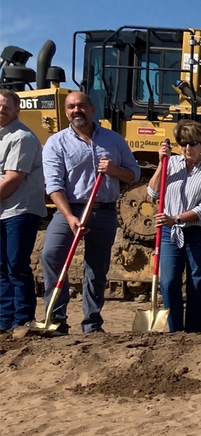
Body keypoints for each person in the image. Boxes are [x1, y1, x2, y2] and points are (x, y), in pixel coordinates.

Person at [40, 91, 139, 334]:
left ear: (92, 109)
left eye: (81, 105)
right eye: (71, 107)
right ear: (66, 112)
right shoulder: (56, 142)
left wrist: (115, 169)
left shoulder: (114, 140)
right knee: (51, 255)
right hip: (69, 210)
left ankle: (92, 323)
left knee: (96, 268)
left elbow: (134, 173)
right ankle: (56, 319)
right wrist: (70, 216)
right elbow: (53, 185)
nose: (77, 110)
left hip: (103, 211)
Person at [147, 120, 201, 333]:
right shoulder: (171, 165)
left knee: (196, 283)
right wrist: (161, 164)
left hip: (198, 232)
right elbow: (152, 193)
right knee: (168, 282)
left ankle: (194, 333)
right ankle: (174, 331)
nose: (188, 148)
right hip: (170, 233)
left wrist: (175, 218)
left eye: (193, 143)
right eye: (183, 143)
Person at [0, 90, 47, 332]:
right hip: (3, 210)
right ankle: (5, 321)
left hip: (19, 211)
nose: (1, 110)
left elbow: (12, 180)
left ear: (17, 109)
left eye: (6, 107)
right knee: (2, 267)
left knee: (16, 265)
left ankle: (22, 319)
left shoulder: (22, 138)